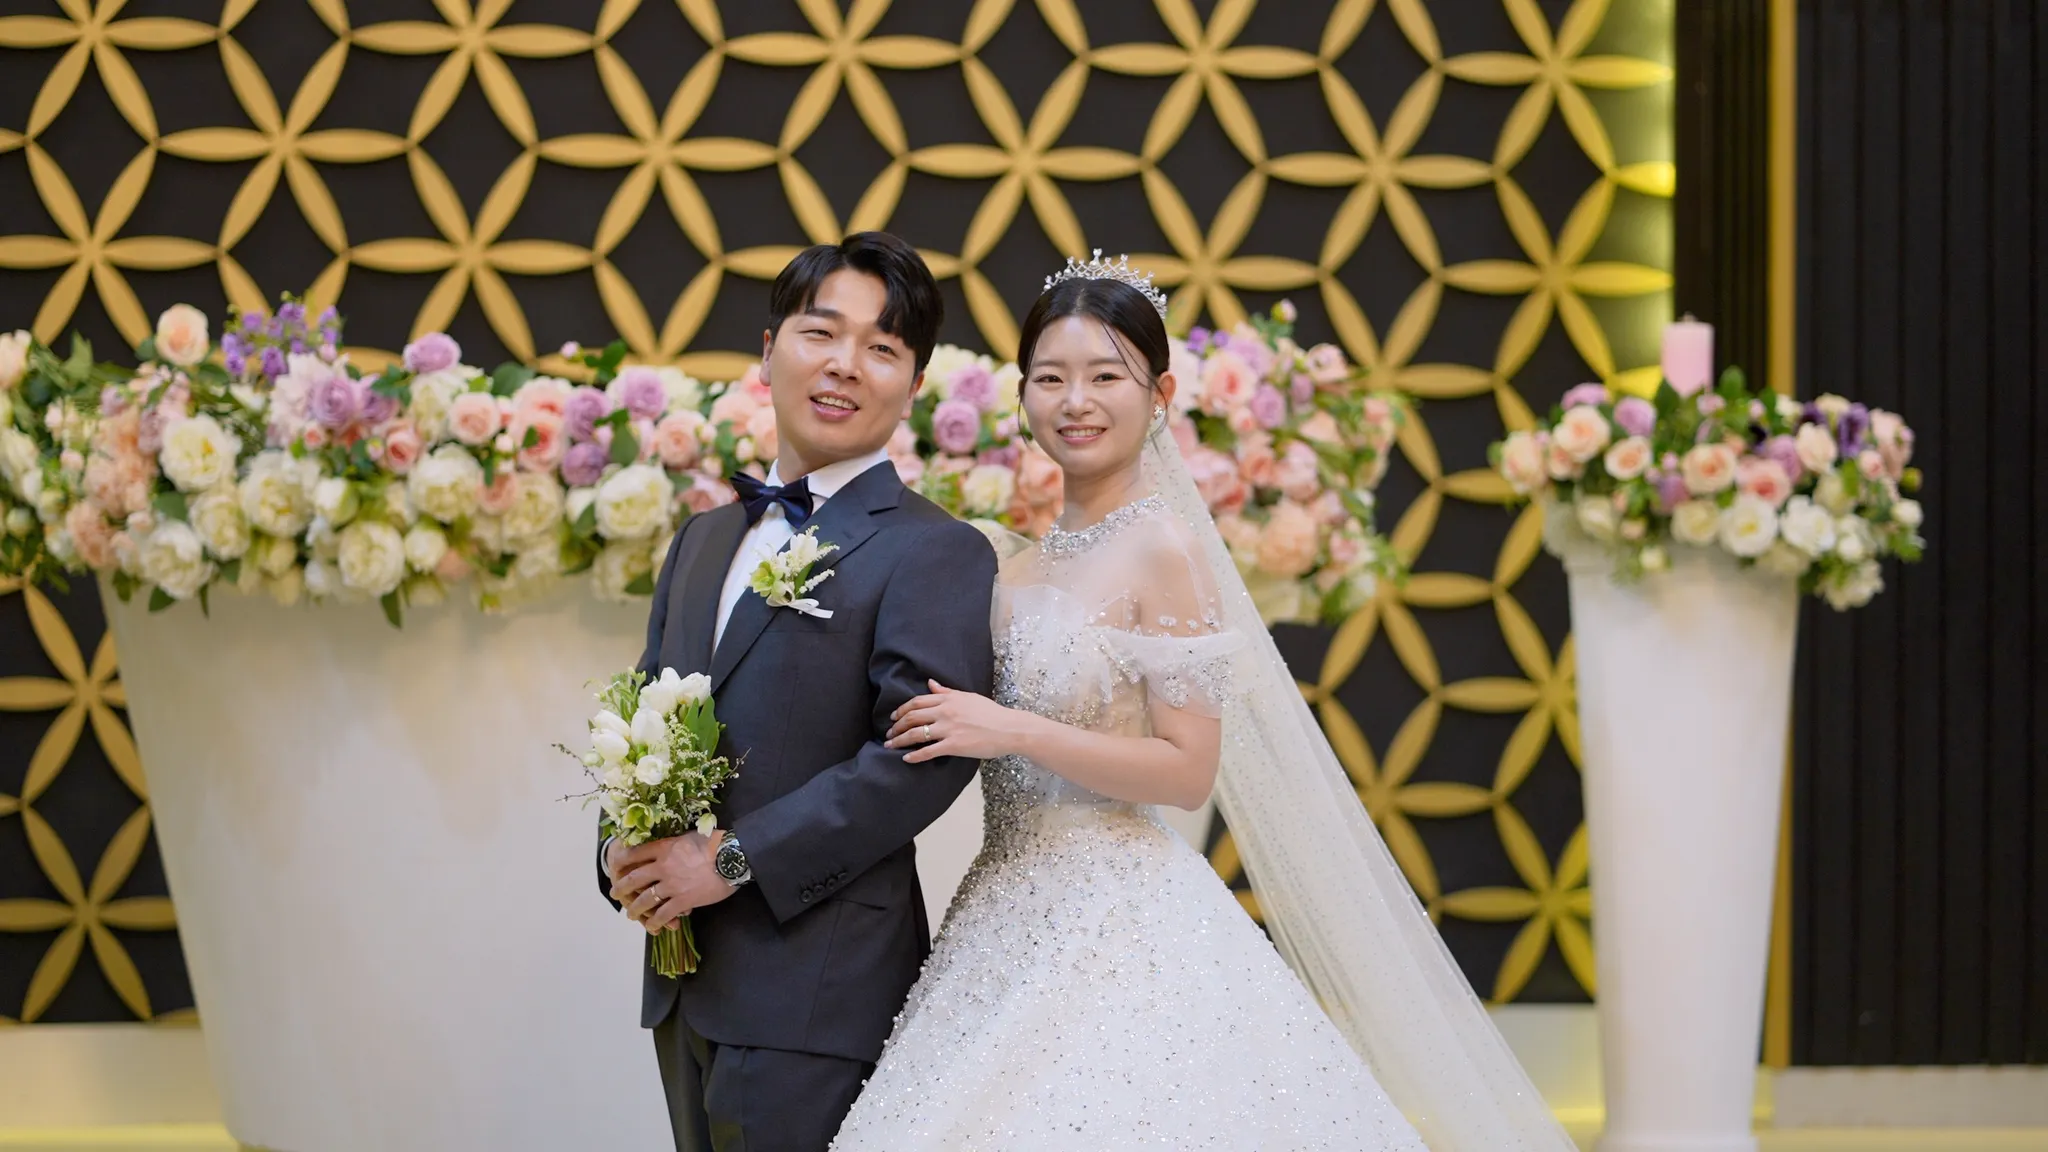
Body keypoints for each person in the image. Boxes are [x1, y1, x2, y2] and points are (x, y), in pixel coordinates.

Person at [829, 255, 1579, 1150]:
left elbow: (1188, 770)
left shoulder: (1164, 549)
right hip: (1000, 908)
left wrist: (1013, 729)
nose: (1076, 401)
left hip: (1117, 917)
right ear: (1022, 397)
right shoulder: (1019, 562)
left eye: (1107, 377)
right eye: (1051, 378)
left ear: (1161, 395)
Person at [600, 232, 998, 1152]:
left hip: (817, 992)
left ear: (914, 385)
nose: (844, 365)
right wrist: (622, 849)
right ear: (769, 350)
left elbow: (917, 760)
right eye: (821, 333)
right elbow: (644, 712)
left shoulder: (935, 549)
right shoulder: (702, 540)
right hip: (684, 984)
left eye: (881, 347)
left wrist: (731, 861)